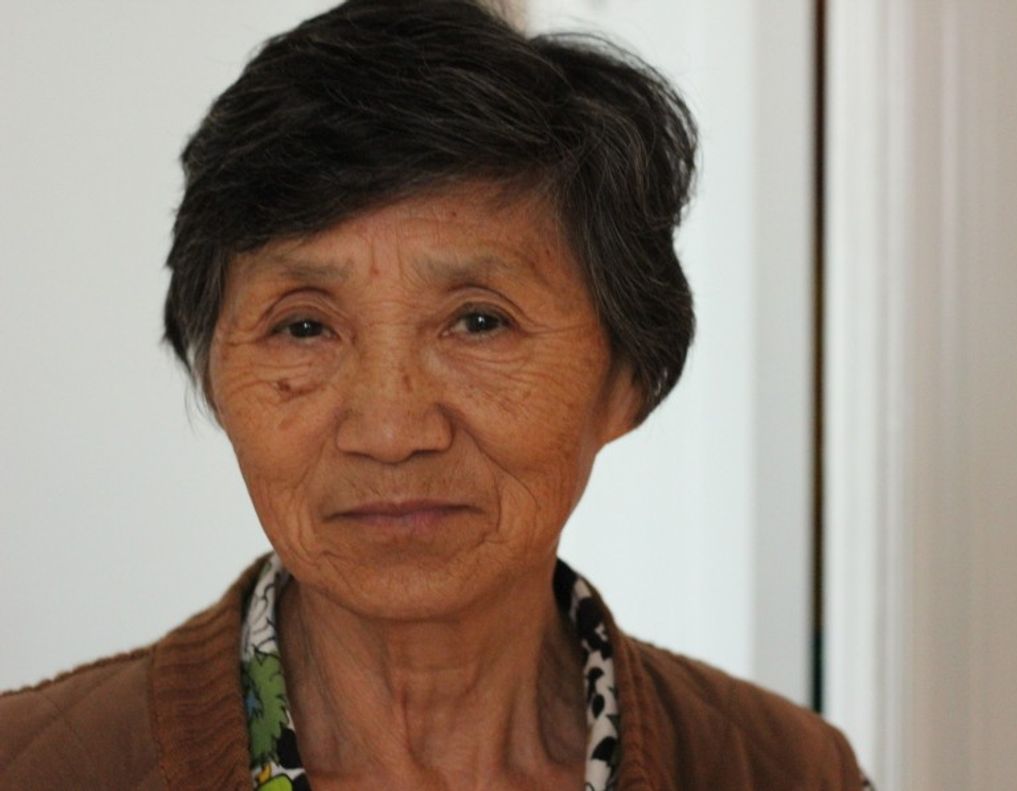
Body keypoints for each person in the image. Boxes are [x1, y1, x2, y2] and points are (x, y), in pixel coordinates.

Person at [0, 1, 870, 788]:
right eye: (303, 327)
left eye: (479, 322)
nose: (390, 429)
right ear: (213, 375)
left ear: (628, 377)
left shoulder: (791, 771)